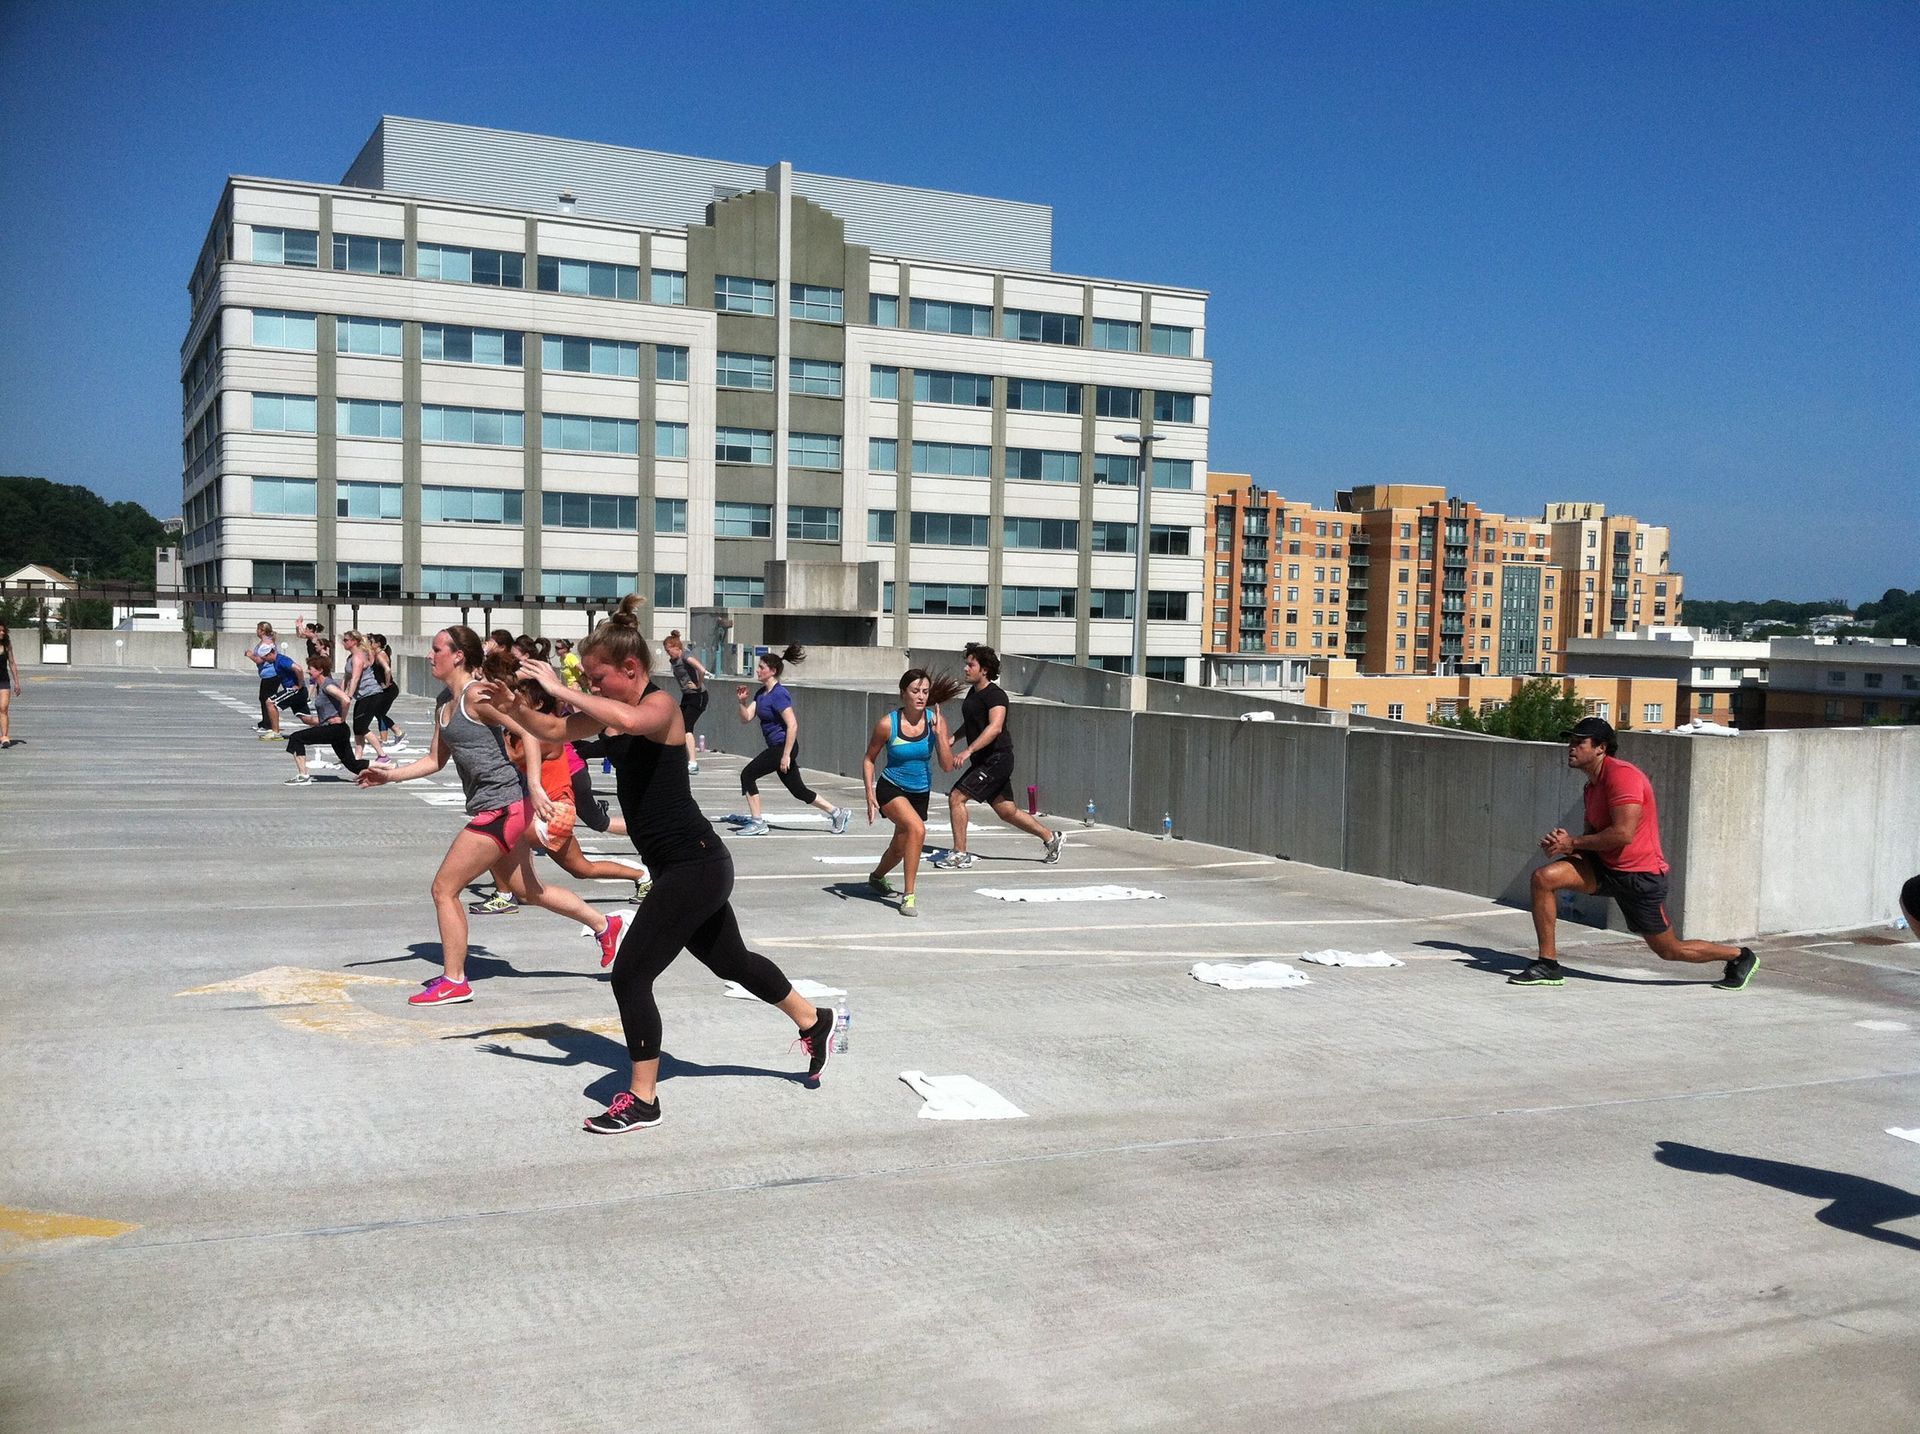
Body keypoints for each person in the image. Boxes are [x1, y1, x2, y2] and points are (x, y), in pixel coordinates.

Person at [494, 595, 836, 1132]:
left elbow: (628, 717)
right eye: (585, 678)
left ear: (630, 669)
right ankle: (815, 1021)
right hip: (684, 866)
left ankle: (643, 1098)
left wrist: (560, 688)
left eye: (596, 677)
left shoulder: (660, 708)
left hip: (693, 866)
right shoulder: (610, 712)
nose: (590, 686)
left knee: (630, 975)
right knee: (733, 962)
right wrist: (506, 706)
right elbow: (556, 732)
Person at [355, 626, 622, 1005]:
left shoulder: (478, 696)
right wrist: (389, 775)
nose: (431, 656)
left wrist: (533, 784)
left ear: (458, 656)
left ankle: (455, 979)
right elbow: (435, 760)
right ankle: (604, 924)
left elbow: (530, 732)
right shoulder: (445, 702)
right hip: (498, 806)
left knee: (444, 889)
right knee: (528, 891)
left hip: (501, 807)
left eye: (436, 650)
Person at [1512, 716, 1757, 989]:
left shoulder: (1623, 777)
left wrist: (1574, 843)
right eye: (1570, 742)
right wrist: (1563, 847)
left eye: (1579, 742)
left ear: (1600, 748)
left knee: (1669, 950)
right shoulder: (1591, 786)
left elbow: (1622, 834)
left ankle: (1740, 956)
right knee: (1544, 878)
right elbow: (1592, 840)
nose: (1571, 747)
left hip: (1640, 877)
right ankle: (1548, 964)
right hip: (1606, 868)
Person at [935, 643, 1063, 869]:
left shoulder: (996, 695)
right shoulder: (974, 694)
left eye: (971, 665)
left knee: (956, 797)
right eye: (966, 664)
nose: (966, 669)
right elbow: (974, 723)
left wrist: (968, 751)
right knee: (1007, 811)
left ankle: (960, 853)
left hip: (997, 759)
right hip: (985, 761)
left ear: (984, 669)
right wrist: (954, 738)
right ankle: (1052, 838)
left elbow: (994, 727)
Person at [862, 668, 961, 917]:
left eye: (925, 692)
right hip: (891, 787)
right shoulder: (888, 724)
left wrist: (940, 735)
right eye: (915, 691)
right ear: (903, 693)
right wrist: (869, 794)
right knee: (917, 829)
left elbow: (947, 766)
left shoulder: (934, 721)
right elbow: (869, 759)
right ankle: (909, 896)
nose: (921, 696)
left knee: (900, 846)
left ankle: (876, 877)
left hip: (920, 791)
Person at [733, 645, 850, 836]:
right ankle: (837, 813)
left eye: (761, 667)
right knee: (798, 790)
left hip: (783, 746)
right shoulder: (761, 694)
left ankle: (757, 822)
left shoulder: (779, 694)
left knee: (747, 775)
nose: (757, 670)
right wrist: (741, 702)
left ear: (773, 671)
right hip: (777, 748)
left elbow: (792, 725)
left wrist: (786, 755)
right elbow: (746, 718)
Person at [281, 655, 370, 784]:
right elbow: (327, 713)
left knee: (296, 738)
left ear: (320, 670)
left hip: (335, 729)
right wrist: (306, 718)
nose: (307, 671)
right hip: (338, 730)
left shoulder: (328, 685)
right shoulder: (322, 685)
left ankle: (303, 775)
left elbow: (345, 700)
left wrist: (342, 718)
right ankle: (389, 768)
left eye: (310, 668)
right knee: (352, 765)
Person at [662, 631, 710, 774]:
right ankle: (681, 758)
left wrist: (698, 684)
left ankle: (693, 763)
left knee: (687, 727)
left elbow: (701, 669)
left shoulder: (685, 656)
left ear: (676, 647)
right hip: (687, 696)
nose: (668, 654)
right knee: (677, 726)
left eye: (669, 650)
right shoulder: (674, 661)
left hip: (698, 695)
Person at [247, 623, 284, 738]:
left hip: (271, 674)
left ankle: (268, 724)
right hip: (268, 675)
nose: (256, 631)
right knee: (264, 698)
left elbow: (260, 660)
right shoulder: (266, 641)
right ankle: (265, 722)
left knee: (267, 699)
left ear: (262, 631)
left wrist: (250, 655)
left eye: (258, 629)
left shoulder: (266, 644)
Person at [0, 623, 20, 748]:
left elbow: (12, 663)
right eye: (0, 631)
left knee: (3, 708)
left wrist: (17, 682)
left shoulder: (7, 646)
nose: (2, 633)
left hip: (3, 681)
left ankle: (5, 736)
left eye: (3, 631)